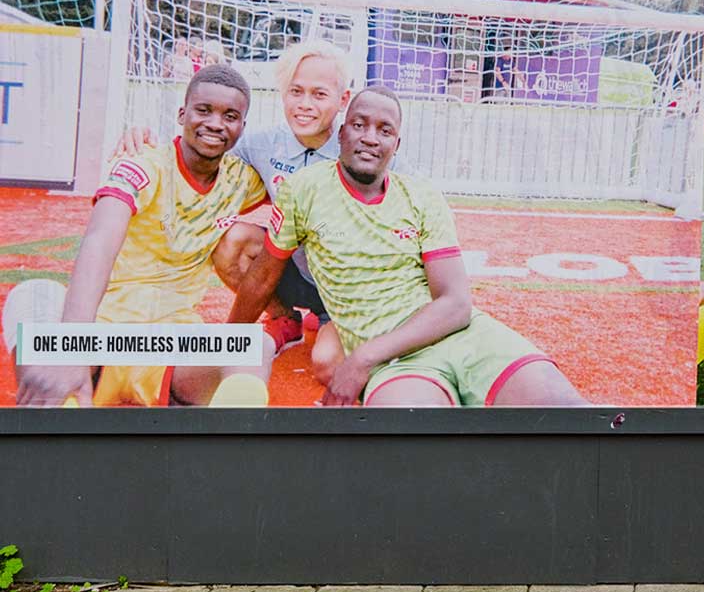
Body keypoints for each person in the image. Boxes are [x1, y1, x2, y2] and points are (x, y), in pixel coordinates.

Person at [227, 87, 587, 407]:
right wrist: (223, 348)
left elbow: (456, 303)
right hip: (398, 363)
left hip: (465, 338)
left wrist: (362, 358)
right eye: (359, 125)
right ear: (340, 134)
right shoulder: (302, 190)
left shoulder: (421, 195)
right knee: (415, 445)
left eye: (385, 131)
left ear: (396, 146)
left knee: (565, 414)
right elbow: (262, 278)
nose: (370, 137)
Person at [14, 65, 272, 407]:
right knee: (32, 295)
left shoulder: (241, 179)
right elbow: (99, 239)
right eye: (204, 110)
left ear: (242, 127)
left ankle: (222, 445)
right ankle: (66, 402)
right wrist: (70, 343)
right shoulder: (142, 164)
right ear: (182, 114)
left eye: (230, 116)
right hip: (100, 337)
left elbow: (305, 190)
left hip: (172, 344)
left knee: (259, 346)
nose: (215, 123)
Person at [115, 40, 355, 383]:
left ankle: (334, 318)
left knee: (328, 365)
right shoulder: (261, 144)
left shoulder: (360, 148)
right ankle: (285, 318)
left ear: (342, 100)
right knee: (233, 239)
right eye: (295, 91)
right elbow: (204, 146)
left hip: (346, 285)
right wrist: (143, 141)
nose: (304, 104)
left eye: (319, 94)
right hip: (297, 273)